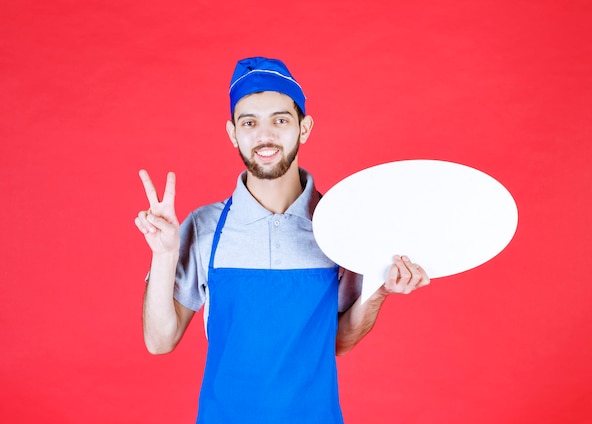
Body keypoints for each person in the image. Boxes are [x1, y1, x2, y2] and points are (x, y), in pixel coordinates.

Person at [134, 56, 430, 423]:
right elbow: (159, 341)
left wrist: (379, 292)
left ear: (304, 128)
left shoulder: (339, 225)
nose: (265, 136)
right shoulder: (205, 227)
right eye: (249, 122)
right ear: (233, 134)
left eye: (280, 120)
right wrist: (163, 254)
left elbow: (337, 341)